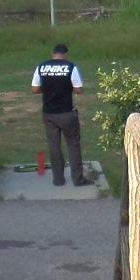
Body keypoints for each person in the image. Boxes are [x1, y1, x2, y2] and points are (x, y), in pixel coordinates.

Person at [31, 43, 93, 186]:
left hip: (48, 113)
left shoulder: (42, 66)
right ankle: (78, 179)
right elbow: (78, 90)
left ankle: (58, 179)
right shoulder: (70, 67)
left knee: (54, 146)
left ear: (52, 53)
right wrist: (66, 87)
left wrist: (47, 89)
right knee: (73, 145)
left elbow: (34, 89)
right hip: (66, 113)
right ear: (65, 54)